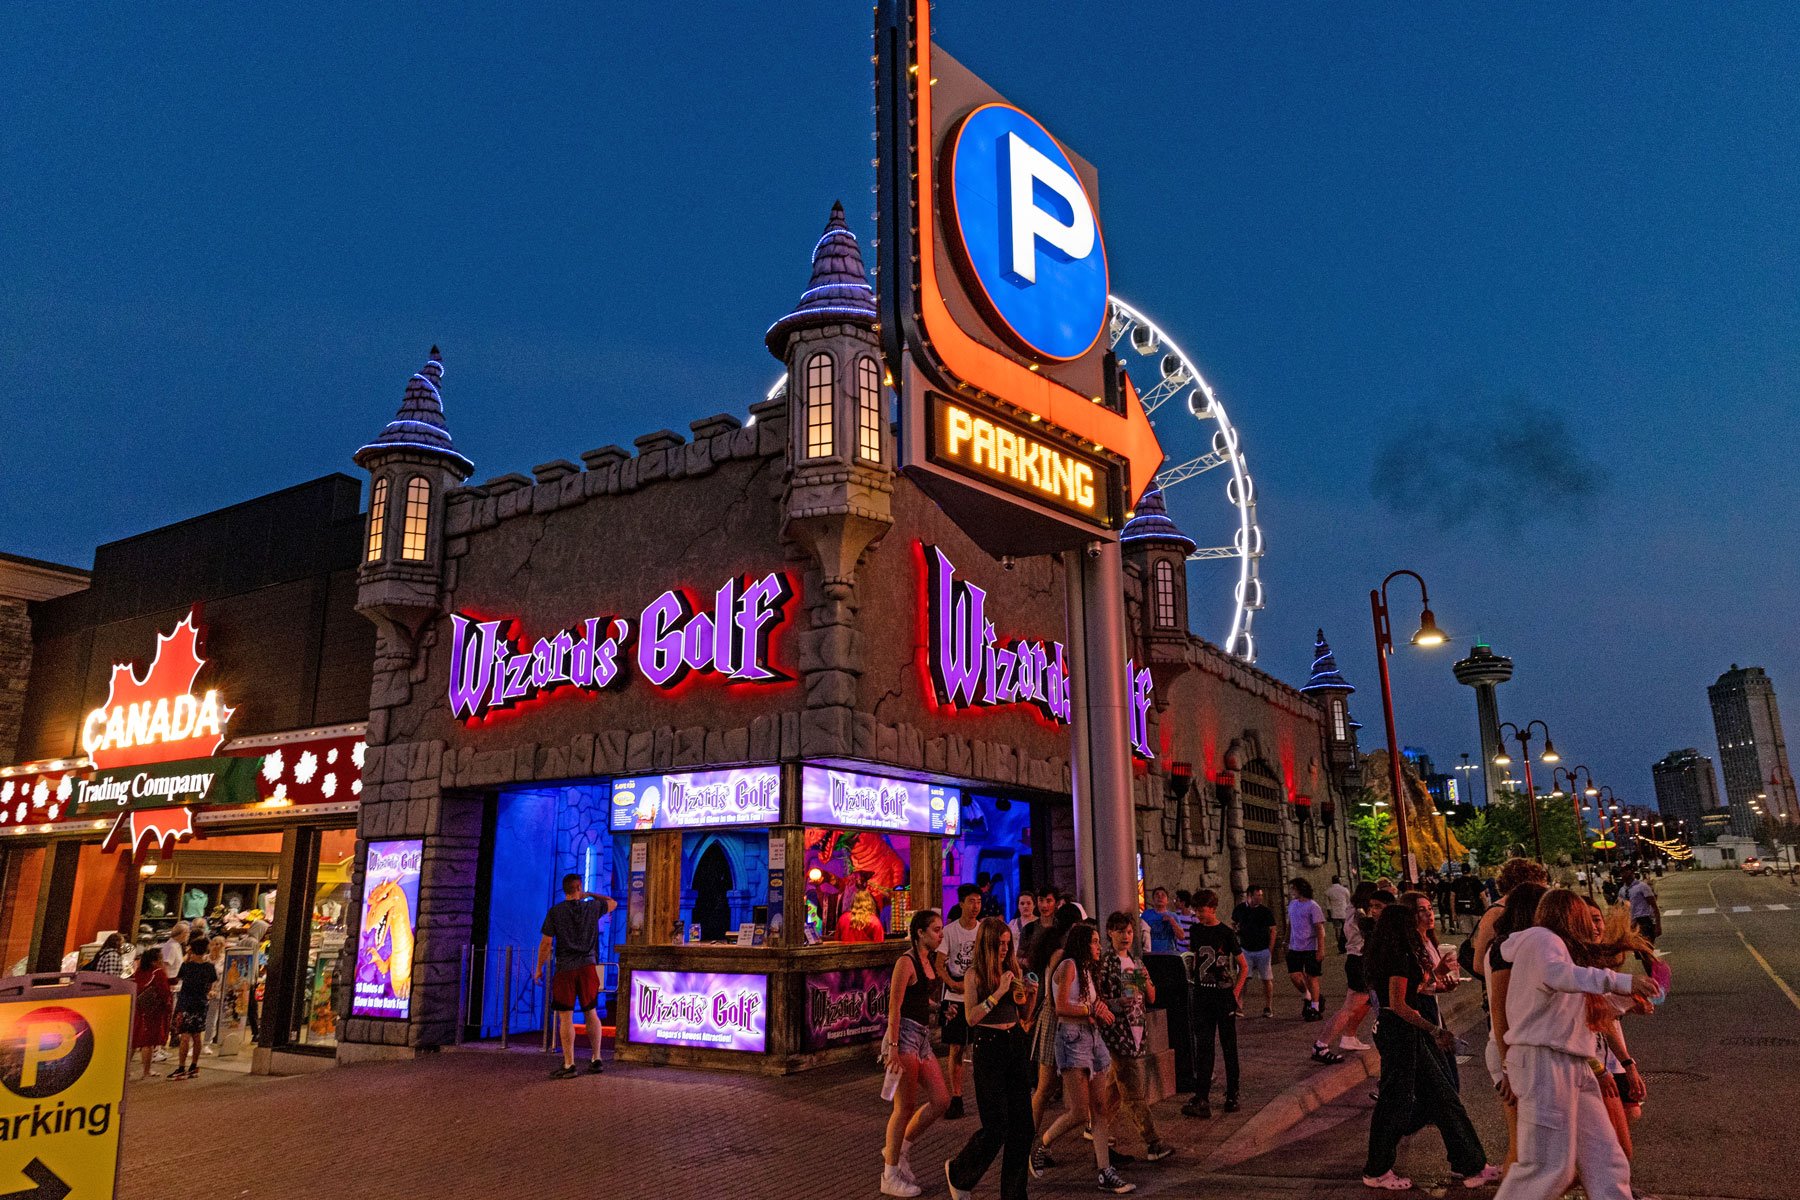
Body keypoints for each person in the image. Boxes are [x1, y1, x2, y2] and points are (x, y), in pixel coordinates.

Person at [1492, 890, 1659, 1200]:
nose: (1594, 926)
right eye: (1586, 915)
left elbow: (1570, 1007)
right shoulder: (1542, 940)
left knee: (1605, 1158)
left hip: (1568, 1063)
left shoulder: (1549, 947)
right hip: (1546, 1062)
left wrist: (1626, 1002)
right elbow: (1561, 977)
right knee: (1547, 1168)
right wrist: (1623, 982)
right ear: (1570, 915)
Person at [1361, 903, 1496, 1190]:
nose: (1417, 925)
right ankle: (1376, 1169)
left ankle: (1471, 1163)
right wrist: (1435, 1029)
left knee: (1443, 1095)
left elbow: (1413, 989)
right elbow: (1398, 1004)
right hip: (1399, 1033)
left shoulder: (1396, 953)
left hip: (1407, 1032)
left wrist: (1435, 977)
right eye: (1411, 920)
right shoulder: (1397, 956)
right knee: (1394, 1102)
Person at [1032, 923, 1136, 1194]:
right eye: (1094, 942)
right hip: (1071, 1039)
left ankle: (1105, 1171)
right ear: (1082, 944)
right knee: (1079, 1111)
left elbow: (1087, 1005)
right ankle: (1042, 1144)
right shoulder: (1068, 965)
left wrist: (1103, 1008)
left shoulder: (1089, 970)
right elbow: (1062, 1007)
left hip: (1092, 1038)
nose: (1099, 946)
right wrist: (1092, 1008)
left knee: (1099, 1108)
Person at [944, 918, 1039, 1200]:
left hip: (1014, 1043)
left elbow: (1024, 1018)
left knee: (1023, 1126)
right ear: (987, 943)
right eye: (999, 944)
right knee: (996, 1125)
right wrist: (998, 993)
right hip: (988, 1046)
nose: (1003, 950)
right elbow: (971, 1018)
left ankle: (1014, 1194)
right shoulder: (974, 975)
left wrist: (1030, 997)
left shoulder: (1013, 969)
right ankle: (959, 1172)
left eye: (1007, 945)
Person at [880, 910, 951, 1197]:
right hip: (905, 1036)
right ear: (920, 932)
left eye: (941, 929)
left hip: (922, 1036)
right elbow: (894, 1008)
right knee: (904, 1107)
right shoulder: (905, 962)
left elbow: (918, 997)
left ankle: (899, 1149)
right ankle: (890, 1174)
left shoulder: (928, 961)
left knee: (941, 1100)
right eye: (935, 930)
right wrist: (893, 1049)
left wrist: (938, 1008)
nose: (940, 934)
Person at [1481, 881, 1549, 1175]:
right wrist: (1509, 1067)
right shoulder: (1506, 951)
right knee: (1521, 1147)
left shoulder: (1519, 946)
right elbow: (1499, 1012)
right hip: (1509, 1051)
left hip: (1517, 1051)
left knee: (1533, 1146)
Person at [1098, 912, 1174, 1161]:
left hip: (1137, 1032)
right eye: (1120, 931)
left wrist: (1144, 982)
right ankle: (1153, 1142)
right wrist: (1117, 1002)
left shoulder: (1137, 962)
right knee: (1132, 1092)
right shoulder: (1106, 963)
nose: (1125, 936)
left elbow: (1151, 997)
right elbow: (1098, 1000)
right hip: (1117, 1035)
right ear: (1110, 932)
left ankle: (1096, 1130)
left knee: (1113, 1090)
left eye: (1129, 932)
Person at [533, 873, 619, 1079]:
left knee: (565, 1016)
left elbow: (546, 943)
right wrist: (589, 894)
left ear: (565, 890)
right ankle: (596, 1058)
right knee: (591, 1012)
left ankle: (569, 1063)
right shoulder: (592, 908)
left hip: (566, 969)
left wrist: (539, 968)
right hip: (588, 967)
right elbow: (612, 903)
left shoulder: (555, 912)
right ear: (579, 887)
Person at [1182, 888, 1245, 1118]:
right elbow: (1195, 956)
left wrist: (1235, 994)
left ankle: (1232, 1093)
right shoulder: (1196, 930)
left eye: (1202, 909)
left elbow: (1243, 965)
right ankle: (1202, 1097)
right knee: (1204, 1047)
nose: (1198, 914)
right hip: (1202, 995)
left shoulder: (1226, 933)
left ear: (1213, 908)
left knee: (1229, 1046)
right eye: (1196, 910)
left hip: (1222, 996)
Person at [1313, 883, 1385, 1063]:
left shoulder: (1352, 910)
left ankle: (1349, 1036)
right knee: (1350, 1007)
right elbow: (1369, 931)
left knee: (1366, 1001)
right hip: (1359, 960)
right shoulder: (1360, 915)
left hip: (1357, 960)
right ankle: (1321, 1045)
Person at [939, 883, 984, 1120]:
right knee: (956, 1047)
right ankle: (956, 1096)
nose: (975, 906)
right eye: (971, 901)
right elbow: (940, 964)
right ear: (961, 903)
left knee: (981, 1047)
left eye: (978, 901)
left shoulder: (983, 931)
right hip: (954, 997)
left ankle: (983, 1093)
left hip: (977, 996)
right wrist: (953, 983)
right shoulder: (949, 931)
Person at [1471, 859, 1551, 985]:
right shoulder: (1496, 912)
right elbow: (1479, 964)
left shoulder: (1526, 909)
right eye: (1540, 883)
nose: (1545, 888)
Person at [170, 937, 217, 1080]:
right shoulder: (209, 967)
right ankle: (194, 1066)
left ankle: (181, 1067)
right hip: (201, 1003)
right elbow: (210, 986)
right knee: (197, 1035)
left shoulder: (186, 966)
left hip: (186, 1003)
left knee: (184, 1036)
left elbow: (178, 980)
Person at [1284, 878, 1328, 1020]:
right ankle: (1308, 995)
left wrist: (1321, 949)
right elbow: (1290, 923)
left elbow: (1319, 929)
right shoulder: (1292, 905)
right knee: (1295, 975)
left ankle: (1315, 1007)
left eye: (1293, 889)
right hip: (1295, 946)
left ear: (1300, 889)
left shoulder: (1312, 906)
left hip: (1310, 946)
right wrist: (1286, 939)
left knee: (1311, 976)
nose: (1291, 892)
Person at [1232, 886, 1279, 1017]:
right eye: (1257, 895)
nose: (1260, 898)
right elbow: (1234, 923)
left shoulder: (1265, 911)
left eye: (1261, 895)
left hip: (1262, 949)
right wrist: (1236, 932)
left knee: (1266, 979)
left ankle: (1268, 1006)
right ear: (1249, 895)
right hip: (1246, 949)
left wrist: (1270, 949)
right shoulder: (1240, 909)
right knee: (1243, 978)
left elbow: (1273, 930)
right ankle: (1239, 1006)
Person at [131, 953, 173, 1080]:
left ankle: (125, 1070)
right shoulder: (158, 972)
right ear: (155, 961)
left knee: (134, 1040)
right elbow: (164, 991)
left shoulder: (139, 972)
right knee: (147, 1042)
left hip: (138, 1008)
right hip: (153, 1010)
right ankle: (146, 1071)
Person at [1619, 869, 1660, 945]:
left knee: (1647, 947)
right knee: (1637, 951)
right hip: (1630, 922)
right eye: (1623, 873)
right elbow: (1621, 907)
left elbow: (1654, 905)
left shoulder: (1642, 887)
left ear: (1632, 874)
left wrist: (1658, 925)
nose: (1625, 875)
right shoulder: (1622, 890)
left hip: (1644, 921)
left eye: (1628, 873)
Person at [1142, 887, 1185, 954]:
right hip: (1151, 953)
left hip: (1169, 953)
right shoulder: (1146, 914)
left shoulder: (1173, 916)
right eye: (1157, 895)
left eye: (1163, 895)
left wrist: (1172, 921)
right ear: (1153, 900)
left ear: (1167, 900)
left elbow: (1181, 937)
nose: (1160, 897)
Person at [1325, 875, 1353, 951]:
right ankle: (1346, 944)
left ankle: (1339, 945)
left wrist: (1329, 915)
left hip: (1334, 913)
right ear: (1339, 881)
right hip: (1344, 912)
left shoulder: (1329, 891)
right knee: (1346, 928)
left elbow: (1328, 905)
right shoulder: (1344, 890)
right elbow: (1348, 901)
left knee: (1337, 929)